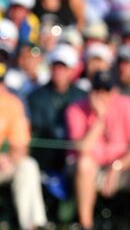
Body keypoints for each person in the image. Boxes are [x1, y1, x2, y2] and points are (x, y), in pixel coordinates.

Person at [65, 71, 130, 229]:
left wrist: (117, 166)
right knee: (85, 164)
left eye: (107, 90)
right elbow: (83, 149)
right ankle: (86, 224)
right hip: (88, 168)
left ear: (115, 91)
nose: (102, 94)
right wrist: (100, 118)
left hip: (120, 167)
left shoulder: (127, 104)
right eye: (98, 89)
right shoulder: (76, 108)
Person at [28, 43, 88, 173]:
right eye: (56, 66)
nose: (58, 71)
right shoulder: (36, 96)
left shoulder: (82, 96)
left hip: (72, 154)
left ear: (71, 70)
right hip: (44, 157)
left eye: (63, 67)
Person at [0, 71, 47, 229]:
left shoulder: (12, 103)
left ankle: (32, 225)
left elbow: (20, 145)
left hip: (3, 166)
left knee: (28, 166)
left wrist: (9, 158)